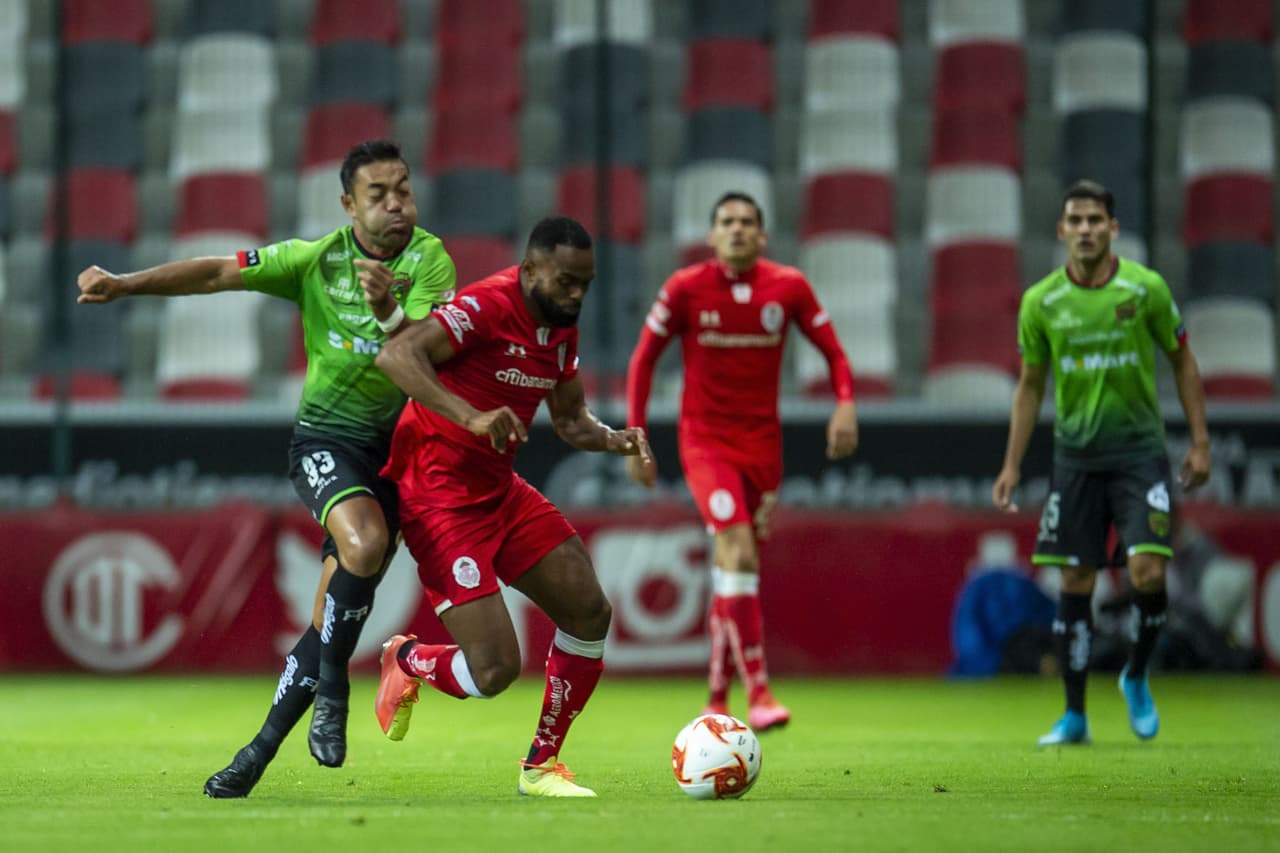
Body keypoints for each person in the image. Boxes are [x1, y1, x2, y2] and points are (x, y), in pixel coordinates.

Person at [76, 139, 457, 795]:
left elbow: (423, 355)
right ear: (347, 204)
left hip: (397, 456)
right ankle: (336, 688)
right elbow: (218, 272)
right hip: (326, 441)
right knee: (363, 545)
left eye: (404, 190)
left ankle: (252, 757)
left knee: (330, 619)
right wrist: (124, 285)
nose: (398, 205)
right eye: (379, 194)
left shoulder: (430, 260)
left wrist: (388, 309)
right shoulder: (317, 259)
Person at [371, 216, 651, 798]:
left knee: (588, 610)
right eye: (566, 282)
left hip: (499, 489)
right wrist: (470, 416)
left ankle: (542, 766)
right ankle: (409, 659)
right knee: (496, 671)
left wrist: (614, 437)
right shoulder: (485, 306)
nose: (577, 296)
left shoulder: (561, 328)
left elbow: (571, 421)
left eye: (585, 284)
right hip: (437, 497)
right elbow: (396, 357)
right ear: (529, 271)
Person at [624, 191, 860, 732]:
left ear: (762, 235)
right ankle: (759, 691)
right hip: (705, 444)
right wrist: (636, 438)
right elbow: (643, 360)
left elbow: (835, 352)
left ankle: (715, 695)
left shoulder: (789, 287)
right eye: (726, 222)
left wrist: (844, 403)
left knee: (736, 569)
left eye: (747, 222)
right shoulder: (685, 288)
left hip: (763, 449)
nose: (736, 230)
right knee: (738, 548)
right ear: (711, 236)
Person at [991, 179, 1211, 746]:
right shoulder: (1041, 302)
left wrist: (1201, 441)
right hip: (1077, 460)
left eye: (1096, 219)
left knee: (1148, 573)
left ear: (1112, 229)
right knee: (1076, 579)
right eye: (1075, 220)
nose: (1085, 229)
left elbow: (1183, 362)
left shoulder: (1146, 289)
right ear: (1061, 229)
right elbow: (1029, 385)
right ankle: (1074, 715)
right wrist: (1011, 464)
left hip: (1139, 455)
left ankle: (1136, 673)